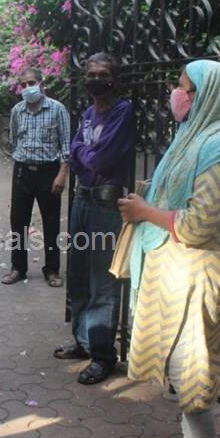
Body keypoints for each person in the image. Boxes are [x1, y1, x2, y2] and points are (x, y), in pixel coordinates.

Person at [119, 60, 220, 438]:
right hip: (175, 273)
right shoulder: (193, 137)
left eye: (186, 88)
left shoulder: (219, 149)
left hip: (196, 277)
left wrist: (145, 212)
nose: (178, 95)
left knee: (189, 367)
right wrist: (148, 204)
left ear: (207, 95)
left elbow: (198, 225)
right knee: (179, 361)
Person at [53, 52, 134, 385]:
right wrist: (84, 154)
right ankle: (83, 341)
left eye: (103, 74)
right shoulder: (88, 113)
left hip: (105, 206)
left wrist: (82, 154)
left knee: (102, 282)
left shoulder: (122, 111)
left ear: (114, 79)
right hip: (82, 201)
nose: (96, 80)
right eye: (91, 74)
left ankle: (102, 355)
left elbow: (102, 161)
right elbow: (77, 152)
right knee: (78, 275)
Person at [1, 68, 69, 287]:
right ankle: (18, 268)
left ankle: (52, 270)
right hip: (23, 172)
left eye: (31, 82)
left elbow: (66, 145)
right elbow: (14, 140)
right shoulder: (17, 111)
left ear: (41, 84)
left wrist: (62, 174)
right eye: (23, 84)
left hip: (49, 172)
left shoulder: (57, 109)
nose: (27, 87)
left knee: (51, 222)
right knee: (18, 221)